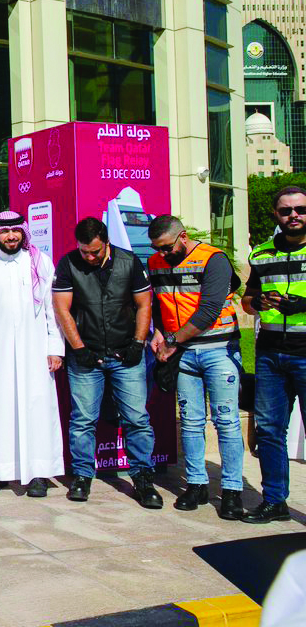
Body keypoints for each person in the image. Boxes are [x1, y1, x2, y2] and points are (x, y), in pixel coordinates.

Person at [53, 216, 161, 509]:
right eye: (84, 251)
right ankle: (82, 476)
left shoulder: (129, 262)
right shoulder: (68, 263)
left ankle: (142, 478)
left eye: (95, 252)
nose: (89, 257)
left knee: (137, 419)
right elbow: (62, 309)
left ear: (107, 244)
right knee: (83, 420)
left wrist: (138, 343)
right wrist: (79, 348)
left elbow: (144, 304)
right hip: (86, 357)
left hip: (126, 354)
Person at [145, 214, 244, 519]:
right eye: (157, 248)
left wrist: (172, 340)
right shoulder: (156, 263)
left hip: (218, 350)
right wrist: (160, 332)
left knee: (226, 422)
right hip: (184, 354)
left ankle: (231, 490)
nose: (163, 254)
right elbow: (161, 303)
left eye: (167, 247)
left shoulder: (213, 260)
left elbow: (209, 310)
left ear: (183, 236)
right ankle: (197, 484)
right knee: (190, 421)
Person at [0, 212, 64, 497]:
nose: (11, 237)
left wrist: (54, 348)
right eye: (5, 232)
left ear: (23, 232)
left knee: (36, 410)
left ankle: (37, 473)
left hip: (35, 352)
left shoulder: (40, 263)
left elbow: (52, 311)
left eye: (16, 232)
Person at [240, 185, 306, 524]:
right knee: (268, 430)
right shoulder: (262, 253)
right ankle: (275, 501)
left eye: (300, 209)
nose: (294, 215)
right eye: (286, 211)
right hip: (270, 355)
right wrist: (257, 303)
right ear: (275, 215)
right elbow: (247, 300)